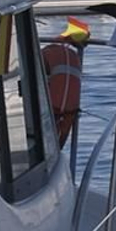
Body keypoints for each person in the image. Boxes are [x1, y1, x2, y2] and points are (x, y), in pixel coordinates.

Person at [41, 18, 89, 148]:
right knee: (57, 147)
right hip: (69, 111)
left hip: (54, 108)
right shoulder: (74, 56)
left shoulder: (48, 52)